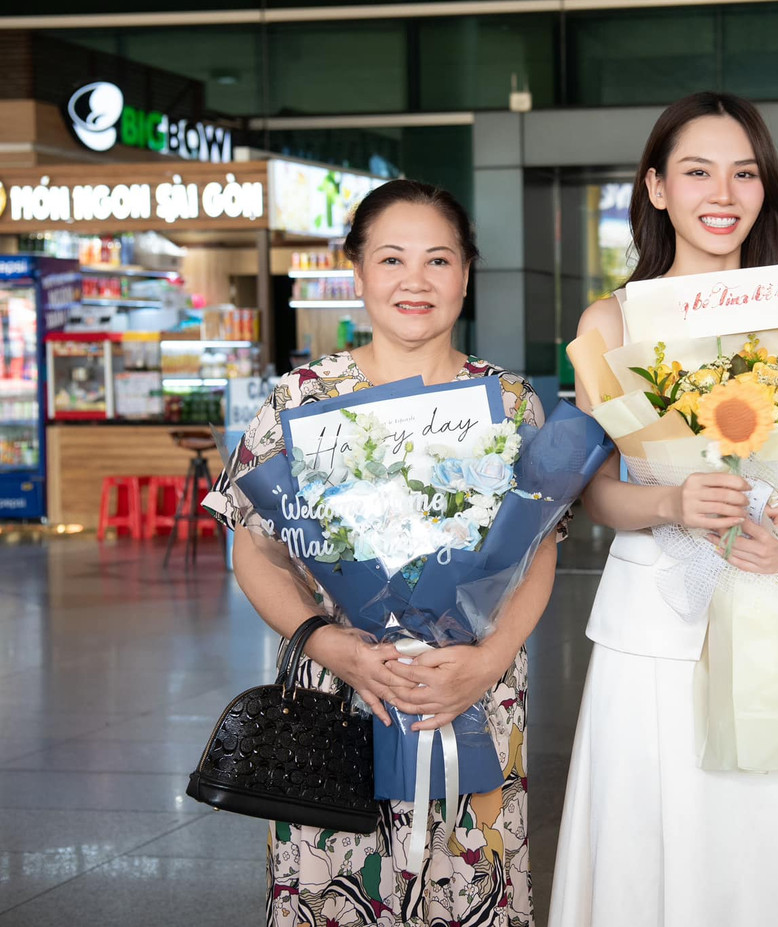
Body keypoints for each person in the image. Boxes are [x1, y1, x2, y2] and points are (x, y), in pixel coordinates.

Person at [205, 179, 552, 927]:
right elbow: (255, 549)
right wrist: (331, 645)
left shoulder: (510, 403)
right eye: (392, 259)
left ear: (466, 274)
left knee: (469, 893)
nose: (415, 281)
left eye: (439, 260)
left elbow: (539, 549)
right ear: (357, 272)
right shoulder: (300, 399)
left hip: (472, 691)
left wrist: (489, 660)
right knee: (339, 891)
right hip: (338, 694)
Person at [549, 92, 778, 927]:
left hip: (777, 607)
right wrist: (673, 499)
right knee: (656, 843)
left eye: (744, 172)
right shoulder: (611, 321)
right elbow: (595, 488)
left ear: (766, 190)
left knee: (768, 852)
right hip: (654, 622)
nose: (723, 193)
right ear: (654, 188)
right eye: (696, 171)